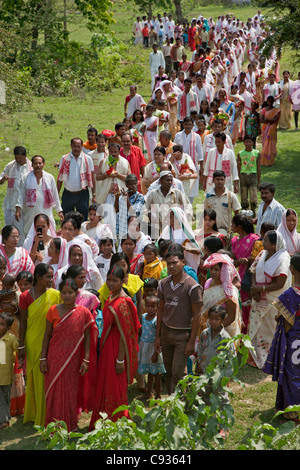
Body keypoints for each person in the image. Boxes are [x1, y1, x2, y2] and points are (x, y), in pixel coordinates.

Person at [40, 278, 97, 431]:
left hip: (73, 358)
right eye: (64, 293)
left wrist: (86, 359)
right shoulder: (52, 310)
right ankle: (53, 426)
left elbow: (87, 338)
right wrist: (43, 358)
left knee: (70, 390)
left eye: (70, 293)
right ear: (60, 293)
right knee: (54, 390)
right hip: (54, 356)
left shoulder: (83, 312)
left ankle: (70, 424)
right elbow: (47, 335)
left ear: (76, 293)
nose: (67, 296)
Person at [89, 266, 140, 428]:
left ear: (123, 281)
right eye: (109, 280)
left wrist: (120, 360)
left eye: (115, 281)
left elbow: (126, 335)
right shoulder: (112, 296)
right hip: (107, 346)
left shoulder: (124, 302)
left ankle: (118, 420)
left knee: (114, 386)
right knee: (105, 383)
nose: (110, 284)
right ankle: (104, 419)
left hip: (117, 349)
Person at [18, 263, 61, 426]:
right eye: (47, 277)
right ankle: (36, 413)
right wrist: (21, 346)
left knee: (49, 374)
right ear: (38, 278)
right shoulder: (25, 296)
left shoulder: (56, 294)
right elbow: (23, 322)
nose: (50, 280)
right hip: (33, 340)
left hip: (52, 340)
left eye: (51, 276)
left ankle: (50, 411)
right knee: (36, 376)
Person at [155, 249, 203, 394]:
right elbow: (160, 310)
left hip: (183, 335)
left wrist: (191, 341)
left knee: (178, 373)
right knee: (168, 371)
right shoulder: (163, 284)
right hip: (166, 333)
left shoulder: (192, 286)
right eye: (168, 264)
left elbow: (197, 316)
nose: (171, 266)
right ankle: (171, 402)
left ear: (183, 262)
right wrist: (158, 337)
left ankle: (183, 404)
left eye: (175, 263)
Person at [263, 254, 300, 422]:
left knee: (292, 373)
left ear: (292, 268)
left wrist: (281, 318)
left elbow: (287, 322)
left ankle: (292, 411)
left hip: (294, 341)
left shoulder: (290, 293)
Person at [248, 231, 292, 368]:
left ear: (274, 244)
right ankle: (255, 357)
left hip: (273, 300)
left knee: (270, 329)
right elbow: (254, 271)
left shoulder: (283, 259)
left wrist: (260, 290)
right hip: (258, 298)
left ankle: (269, 359)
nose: (263, 242)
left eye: (266, 240)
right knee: (257, 328)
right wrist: (255, 288)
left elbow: (280, 283)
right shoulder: (263, 254)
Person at [15, 155, 63, 239]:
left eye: (40, 163)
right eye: (36, 163)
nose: (38, 165)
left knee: (47, 233)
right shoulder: (25, 178)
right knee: (30, 234)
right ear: (32, 165)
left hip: (46, 211)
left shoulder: (49, 177)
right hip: (30, 212)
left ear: (43, 164)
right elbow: (21, 195)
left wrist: (59, 210)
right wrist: (18, 209)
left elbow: (55, 195)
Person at [200, 253, 241, 338]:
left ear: (223, 271)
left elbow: (231, 317)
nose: (213, 272)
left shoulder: (228, 290)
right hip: (206, 328)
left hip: (222, 332)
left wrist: (215, 330)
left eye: (216, 269)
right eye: (211, 269)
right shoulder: (208, 282)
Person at [231, 214, 260, 333]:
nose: (231, 227)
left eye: (233, 225)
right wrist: (239, 261)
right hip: (240, 279)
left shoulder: (255, 239)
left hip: (253, 278)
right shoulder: (234, 240)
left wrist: (250, 260)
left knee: (252, 307)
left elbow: (260, 257)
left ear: (239, 227)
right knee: (243, 308)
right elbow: (233, 262)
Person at [144, 170, 193, 239]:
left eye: (171, 180)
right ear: (160, 181)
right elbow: (145, 208)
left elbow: (188, 206)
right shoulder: (153, 194)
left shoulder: (177, 193)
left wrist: (183, 218)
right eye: (167, 180)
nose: (170, 182)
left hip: (174, 228)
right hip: (158, 228)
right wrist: (149, 214)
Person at [57, 137, 96, 221]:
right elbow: (60, 178)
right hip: (68, 194)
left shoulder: (87, 159)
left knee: (82, 220)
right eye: (74, 146)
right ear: (71, 146)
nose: (76, 149)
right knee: (67, 220)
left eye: (79, 146)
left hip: (82, 194)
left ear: (82, 147)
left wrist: (94, 195)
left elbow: (92, 178)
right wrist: (57, 193)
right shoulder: (64, 158)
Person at [95, 142, 130, 233]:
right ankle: (110, 242)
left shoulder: (125, 162)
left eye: (115, 152)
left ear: (119, 152)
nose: (113, 154)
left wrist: (118, 175)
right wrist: (106, 175)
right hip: (107, 195)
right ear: (108, 151)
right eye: (111, 152)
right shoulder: (104, 161)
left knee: (121, 221)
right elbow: (97, 177)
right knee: (108, 222)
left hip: (121, 196)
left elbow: (129, 178)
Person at [0, 146, 32, 245]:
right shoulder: (10, 166)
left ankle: (20, 249)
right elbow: (1, 178)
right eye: (16, 158)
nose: (18, 160)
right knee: (9, 228)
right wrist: (3, 180)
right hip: (10, 202)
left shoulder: (30, 167)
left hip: (23, 205)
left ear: (25, 156)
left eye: (21, 158)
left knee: (21, 231)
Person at [99, 252, 144, 321]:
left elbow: (140, 301)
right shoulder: (109, 283)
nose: (121, 268)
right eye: (117, 265)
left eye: (124, 265)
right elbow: (104, 304)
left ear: (128, 266)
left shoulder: (135, 279)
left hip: (133, 318)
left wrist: (138, 320)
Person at [138, 295, 166, 399]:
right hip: (145, 348)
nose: (150, 309)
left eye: (153, 306)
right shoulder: (144, 317)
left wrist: (156, 352)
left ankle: (158, 395)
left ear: (158, 307)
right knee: (149, 372)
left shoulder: (157, 320)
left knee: (157, 374)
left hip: (154, 349)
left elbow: (160, 336)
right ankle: (149, 392)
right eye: (148, 306)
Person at [204, 170, 241, 238]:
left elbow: (237, 213)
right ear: (213, 181)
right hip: (212, 230)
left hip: (227, 231)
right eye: (217, 179)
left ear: (225, 181)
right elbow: (205, 213)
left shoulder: (231, 195)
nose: (220, 181)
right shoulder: (209, 196)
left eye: (222, 179)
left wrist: (236, 227)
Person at [174, 117, 204, 201]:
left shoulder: (197, 136)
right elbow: (174, 148)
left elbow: (200, 152)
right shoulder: (178, 135)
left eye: (190, 124)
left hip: (192, 166)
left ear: (192, 125)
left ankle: (189, 206)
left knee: (192, 187)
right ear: (183, 125)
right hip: (179, 166)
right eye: (186, 124)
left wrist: (201, 167)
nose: (188, 126)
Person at [0, 312, 19, 429]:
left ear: (8, 328)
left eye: (1, 324)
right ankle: (4, 420)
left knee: (6, 398)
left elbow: (20, 349)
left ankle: (5, 418)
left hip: (6, 375)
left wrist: (22, 359)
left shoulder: (11, 339)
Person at [115, 173, 145, 240]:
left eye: (135, 184)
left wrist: (126, 199)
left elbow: (134, 213)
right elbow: (116, 210)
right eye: (131, 184)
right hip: (122, 227)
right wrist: (116, 198)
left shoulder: (139, 197)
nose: (133, 186)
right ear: (126, 185)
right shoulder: (122, 195)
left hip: (133, 229)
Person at [237, 134, 261, 217]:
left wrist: (259, 181)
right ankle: (245, 214)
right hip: (243, 176)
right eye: (246, 141)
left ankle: (253, 213)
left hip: (253, 176)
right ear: (243, 143)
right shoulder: (240, 153)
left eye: (249, 142)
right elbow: (238, 167)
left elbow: (258, 167)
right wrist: (239, 178)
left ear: (252, 143)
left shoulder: (256, 153)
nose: (248, 143)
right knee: (244, 198)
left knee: (253, 198)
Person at [260, 96, 281, 167]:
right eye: (268, 101)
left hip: (272, 129)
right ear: (267, 101)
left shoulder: (276, 110)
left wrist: (267, 120)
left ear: (273, 101)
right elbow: (261, 120)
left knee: (272, 144)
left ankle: (271, 160)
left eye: (271, 101)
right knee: (265, 143)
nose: (270, 102)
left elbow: (275, 120)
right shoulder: (264, 109)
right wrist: (270, 121)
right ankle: (265, 158)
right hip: (265, 129)